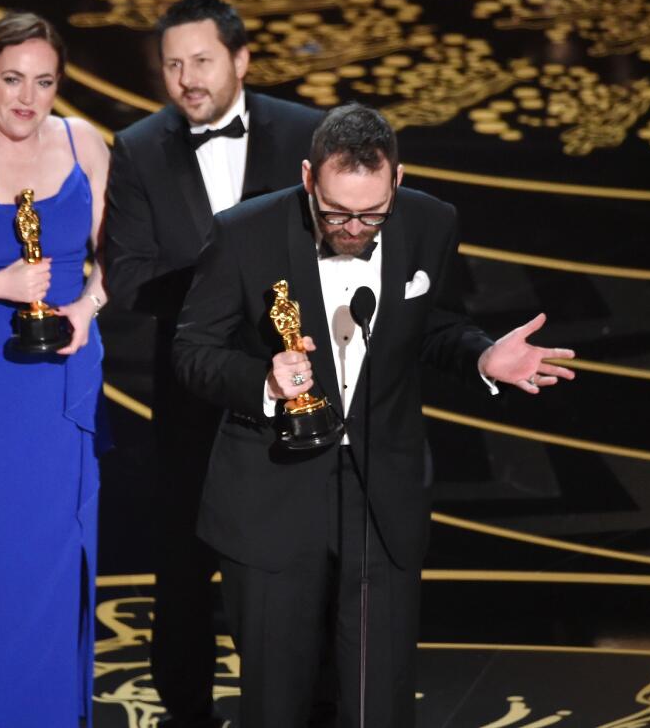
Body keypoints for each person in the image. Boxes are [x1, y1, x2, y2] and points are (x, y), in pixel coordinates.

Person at [172, 103, 576, 727]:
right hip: (271, 494)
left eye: (371, 213)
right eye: (336, 212)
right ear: (309, 177)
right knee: (277, 699)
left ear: (399, 180)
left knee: (378, 699)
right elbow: (192, 351)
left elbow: (430, 325)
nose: (354, 228)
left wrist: (481, 355)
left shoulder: (430, 223)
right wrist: (263, 381)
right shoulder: (244, 233)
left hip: (381, 495)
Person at [104, 0, 323, 728]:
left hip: (295, 385)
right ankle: (187, 711)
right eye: (172, 64)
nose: (186, 78)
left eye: (201, 61)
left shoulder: (306, 132)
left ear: (240, 59)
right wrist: (217, 294)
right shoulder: (137, 147)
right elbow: (128, 275)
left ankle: (306, 706)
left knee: (297, 561)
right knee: (185, 565)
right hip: (191, 393)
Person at [0, 11, 110, 728]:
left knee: (58, 556)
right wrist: (0, 283)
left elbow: (119, 257)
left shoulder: (83, 142)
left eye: (44, 81)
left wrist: (90, 308)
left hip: (63, 370)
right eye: (11, 79)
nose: (28, 98)